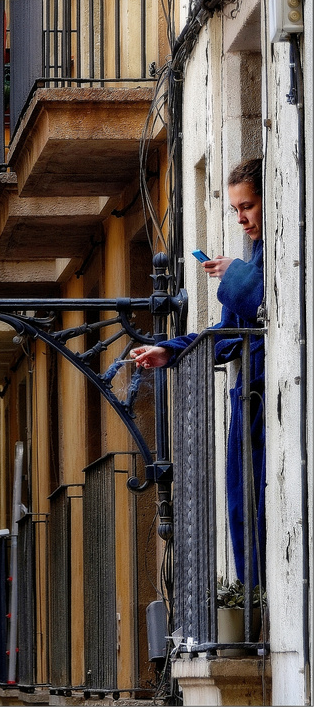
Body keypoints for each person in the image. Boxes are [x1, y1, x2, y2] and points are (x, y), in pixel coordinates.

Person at [131, 158, 265, 585]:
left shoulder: (261, 260)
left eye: (248, 207)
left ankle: (257, 599)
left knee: (254, 502)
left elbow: (270, 308)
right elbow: (223, 334)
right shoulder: (253, 255)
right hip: (249, 397)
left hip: (260, 396)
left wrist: (237, 275)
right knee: (241, 504)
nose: (242, 219)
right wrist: (168, 352)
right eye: (235, 210)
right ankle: (254, 598)